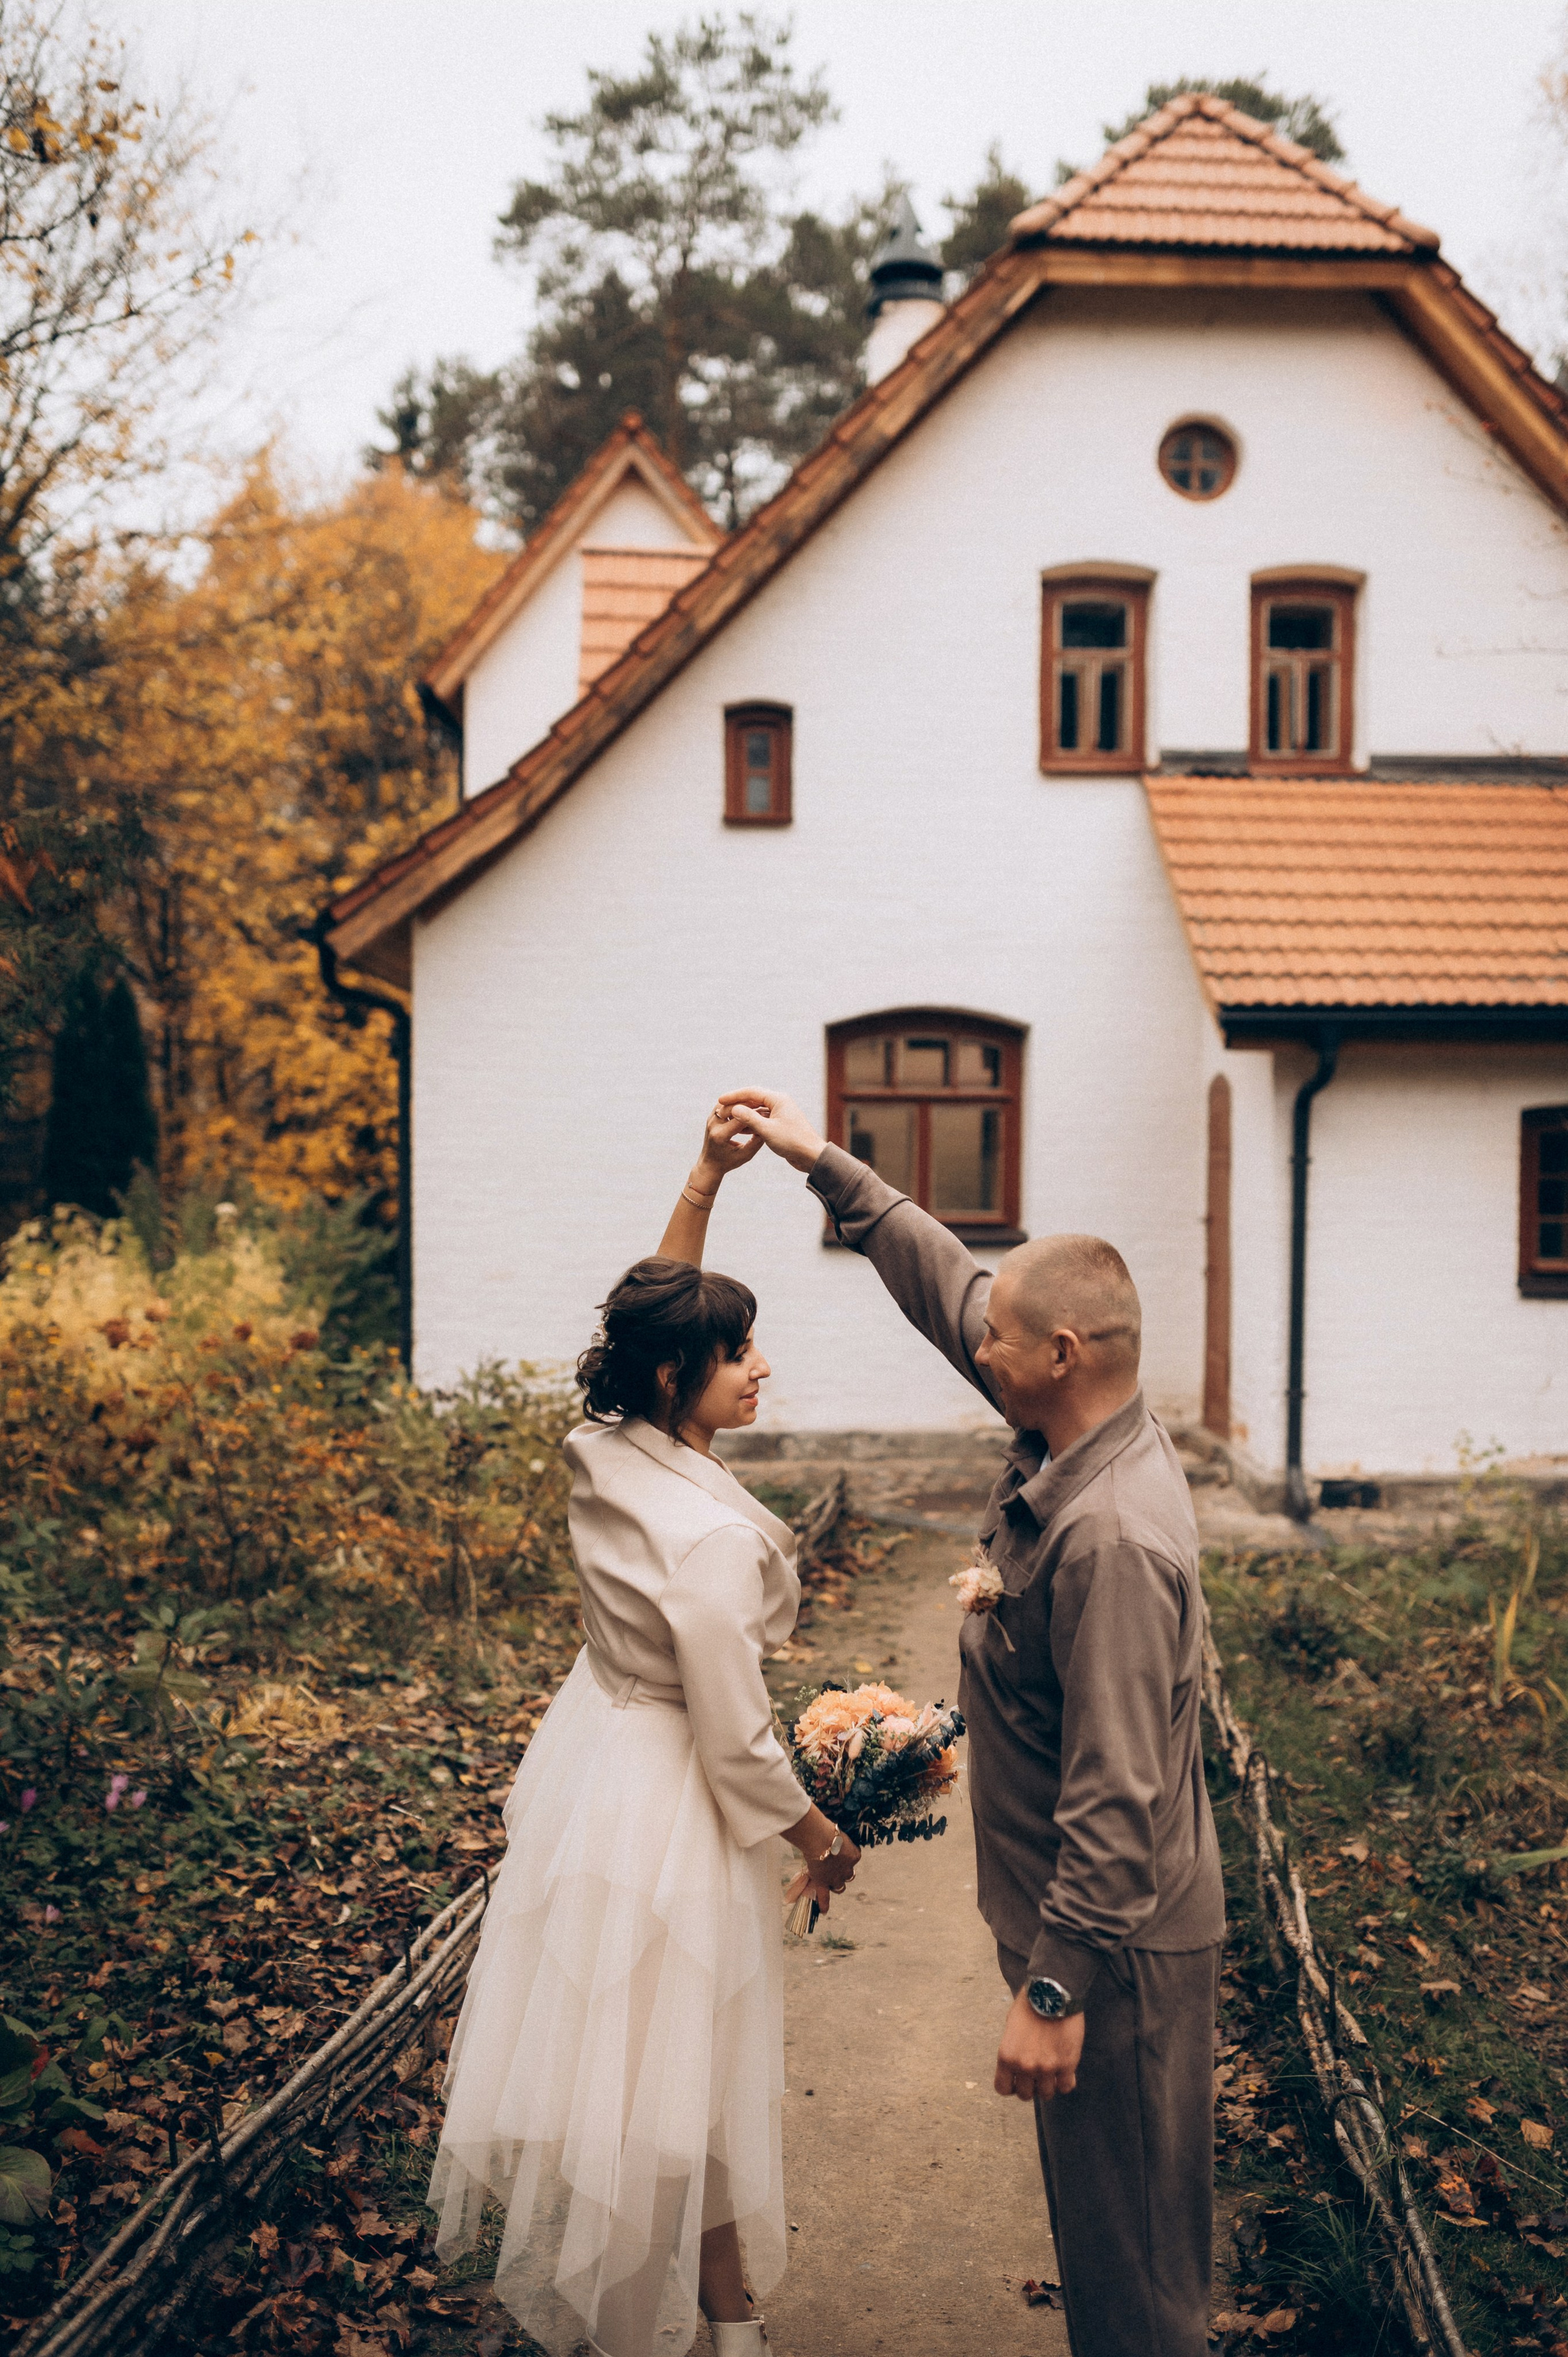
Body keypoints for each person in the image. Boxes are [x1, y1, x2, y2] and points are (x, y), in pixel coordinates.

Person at [720, 1087, 1226, 2357]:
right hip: (1081, 1927)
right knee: (1106, 2234)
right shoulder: (1068, 1419)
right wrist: (817, 1161)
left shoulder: (1110, 1541)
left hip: (1115, 1953)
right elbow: (948, 1285)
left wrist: (1054, 1987)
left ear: (1060, 1353)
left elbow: (1118, 1794)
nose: (973, 1346)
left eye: (997, 1338)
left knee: (1135, 2263)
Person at [428, 1111, 861, 2357]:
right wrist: (821, 1834)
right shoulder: (713, 1541)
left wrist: (701, 1186)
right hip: (675, 1797)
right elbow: (734, 1741)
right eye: (736, 1353)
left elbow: (644, 1324)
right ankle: (666, 2329)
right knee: (679, 2083)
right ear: (680, 1378)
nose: (760, 1365)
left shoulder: (602, 1449)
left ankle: (725, 2317)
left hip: (596, 1765)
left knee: (662, 2072)